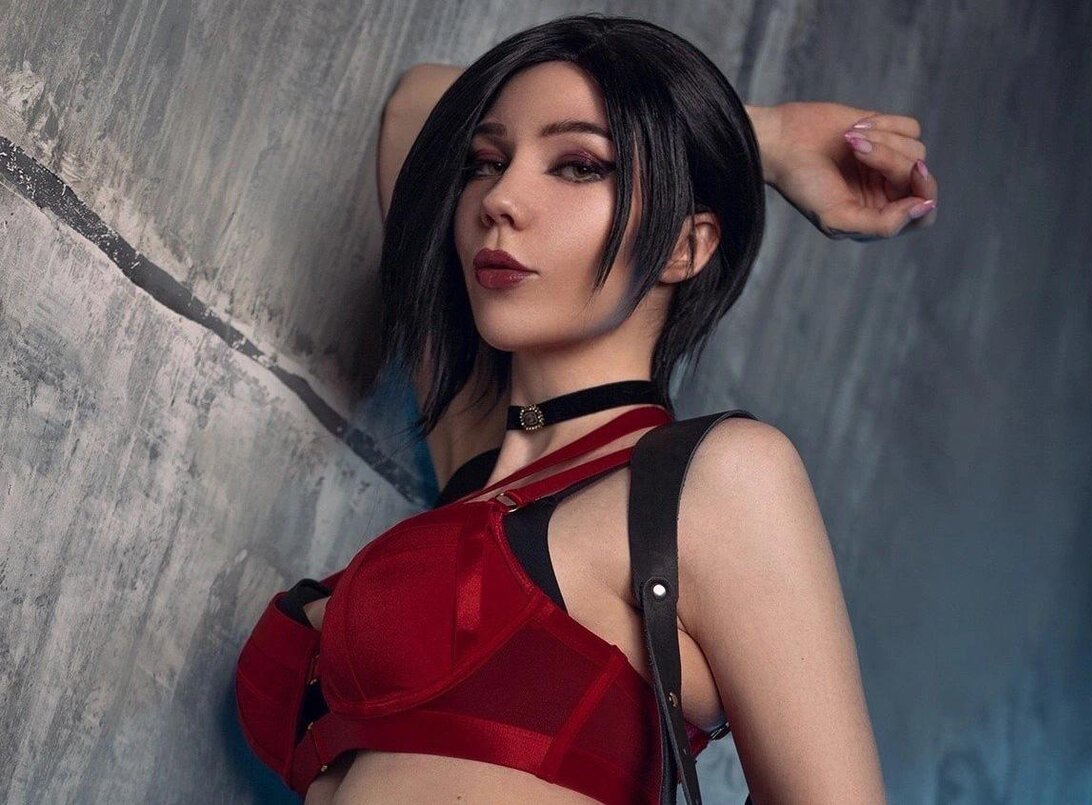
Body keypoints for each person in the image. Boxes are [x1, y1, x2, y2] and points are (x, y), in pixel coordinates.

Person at [235, 13, 935, 804]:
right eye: (487, 162)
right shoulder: (478, 461)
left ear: (685, 246)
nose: (500, 199)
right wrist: (766, 138)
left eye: (577, 166)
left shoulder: (717, 483)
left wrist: (708, 143)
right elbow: (415, 111)